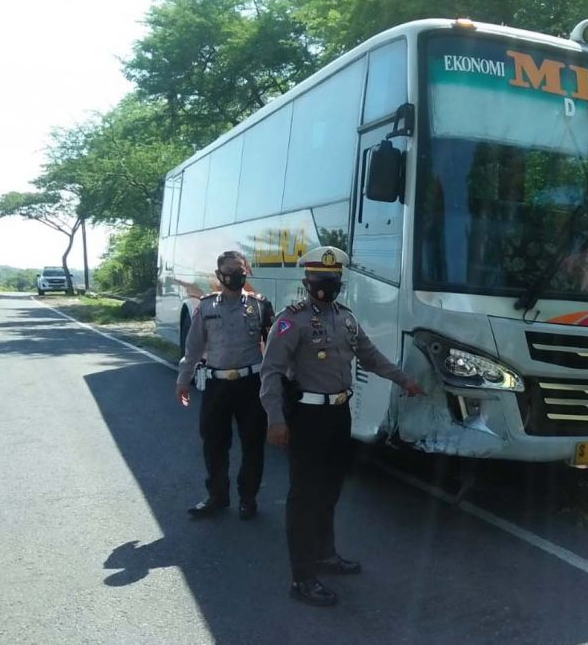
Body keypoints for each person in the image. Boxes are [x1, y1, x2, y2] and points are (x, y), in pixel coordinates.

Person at [259, 246, 423, 607]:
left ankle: (325, 555)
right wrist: (275, 419)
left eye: (333, 280)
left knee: (330, 491)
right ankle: (302, 578)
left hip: (338, 415)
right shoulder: (291, 320)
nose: (327, 286)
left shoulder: (345, 318)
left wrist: (403, 380)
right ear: (306, 281)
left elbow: (369, 355)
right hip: (306, 417)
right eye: (320, 279)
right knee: (304, 496)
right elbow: (270, 372)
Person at [176, 251, 275, 520]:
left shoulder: (261, 306)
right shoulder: (206, 307)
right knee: (214, 443)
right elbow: (193, 347)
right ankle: (217, 496)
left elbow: (276, 349)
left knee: (252, 445)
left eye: (240, 269)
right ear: (219, 275)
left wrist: (277, 385)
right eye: (230, 270)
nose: (236, 275)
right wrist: (183, 379)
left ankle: (248, 498)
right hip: (216, 385)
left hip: (251, 385)